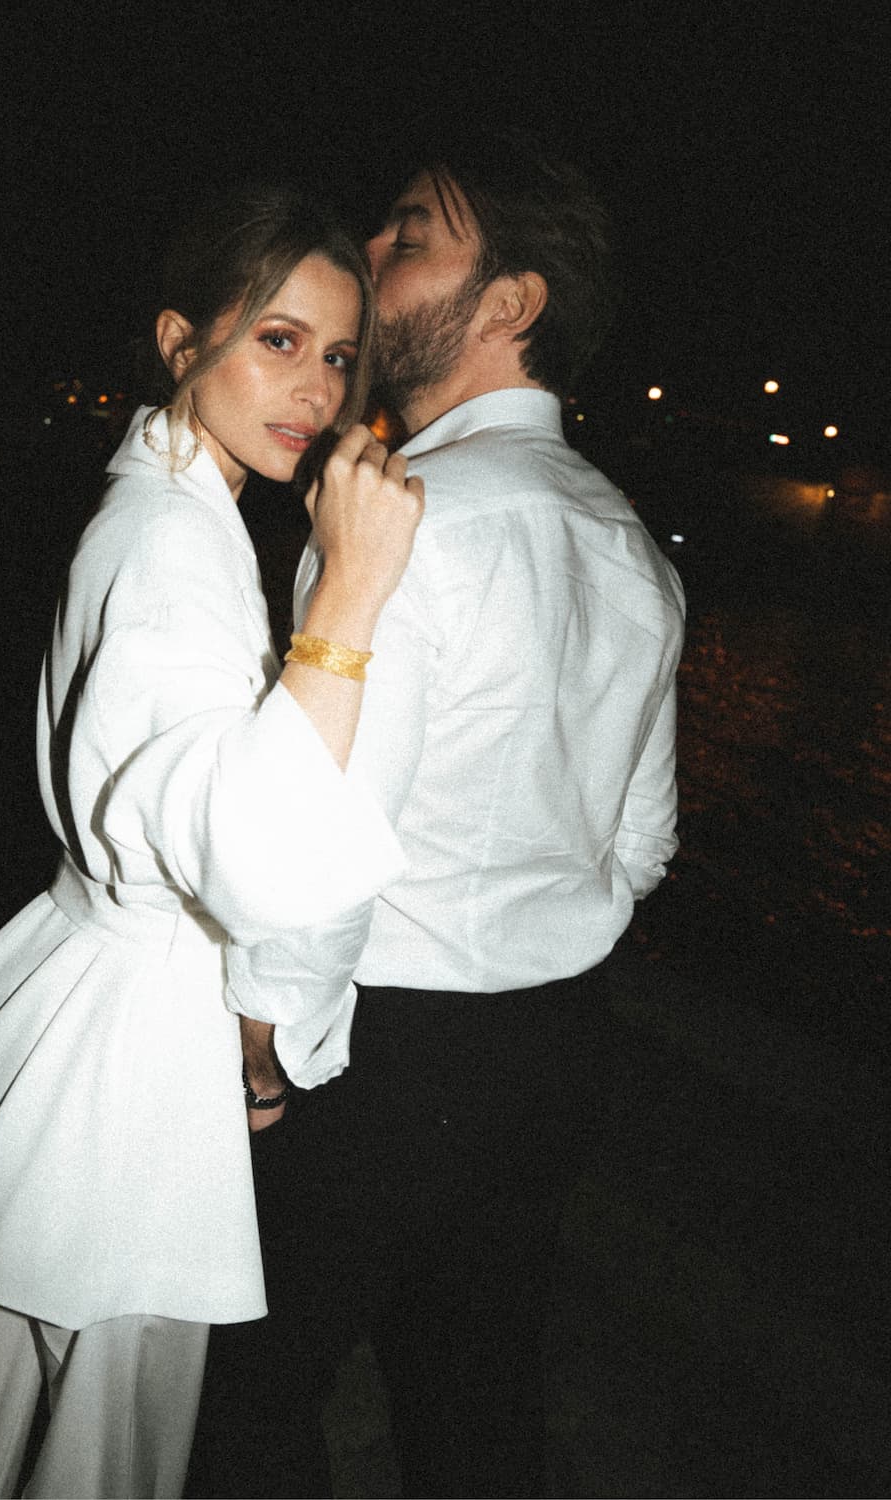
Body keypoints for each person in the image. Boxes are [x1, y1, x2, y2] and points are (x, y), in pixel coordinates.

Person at [0, 181, 423, 1499]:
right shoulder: (173, 546)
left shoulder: (172, 510)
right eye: (277, 339)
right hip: (120, 1053)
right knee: (97, 1452)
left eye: (338, 354)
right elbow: (257, 853)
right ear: (183, 339)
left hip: (82, 1004)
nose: (315, 387)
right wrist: (352, 593)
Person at [198, 130, 686, 1499]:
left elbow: (321, 835)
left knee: (239, 1400)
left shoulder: (401, 520)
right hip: (554, 1052)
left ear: (511, 302)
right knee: (475, 1403)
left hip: (382, 1059)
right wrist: (531, 922)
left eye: (412, 235)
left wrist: (267, 1042)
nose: (372, 251)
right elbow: (643, 844)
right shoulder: (632, 544)